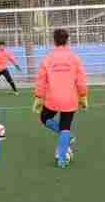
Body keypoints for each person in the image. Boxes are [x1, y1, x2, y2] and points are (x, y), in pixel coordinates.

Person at [33, 28, 88, 169]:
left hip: (52, 99)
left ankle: (67, 138)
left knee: (44, 118)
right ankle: (62, 160)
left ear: (54, 40)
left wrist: (38, 97)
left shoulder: (48, 59)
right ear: (67, 40)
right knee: (65, 127)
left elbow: (41, 80)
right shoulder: (75, 59)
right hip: (70, 99)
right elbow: (81, 80)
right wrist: (83, 96)